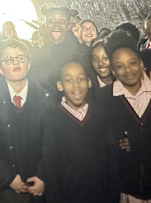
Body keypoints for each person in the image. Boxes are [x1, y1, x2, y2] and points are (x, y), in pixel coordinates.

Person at [95, 30, 151, 203]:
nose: (128, 70)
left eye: (132, 63)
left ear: (141, 64)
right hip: (124, 189)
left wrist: (140, 141)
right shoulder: (104, 99)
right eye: (119, 66)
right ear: (113, 70)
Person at [0, 38, 51, 202]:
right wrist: (9, 178)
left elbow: (52, 141)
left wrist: (43, 175)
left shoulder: (45, 96)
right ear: (0, 69)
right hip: (2, 188)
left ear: (28, 64)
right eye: (8, 60)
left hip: (38, 184)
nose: (15, 63)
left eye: (20, 58)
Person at [41, 62, 119, 203]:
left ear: (89, 82)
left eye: (81, 78)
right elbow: (50, 168)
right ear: (60, 85)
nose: (76, 85)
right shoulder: (51, 119)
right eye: (68, 80)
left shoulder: (102, 114)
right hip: (66, 197)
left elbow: (113, 161)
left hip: (101, 196)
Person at [30, 7, 92, 97]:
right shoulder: (37, 56)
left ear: (68, 26)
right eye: (51, 21)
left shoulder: (80, 53)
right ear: (45, 25)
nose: (56, 25)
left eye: (62, 21)